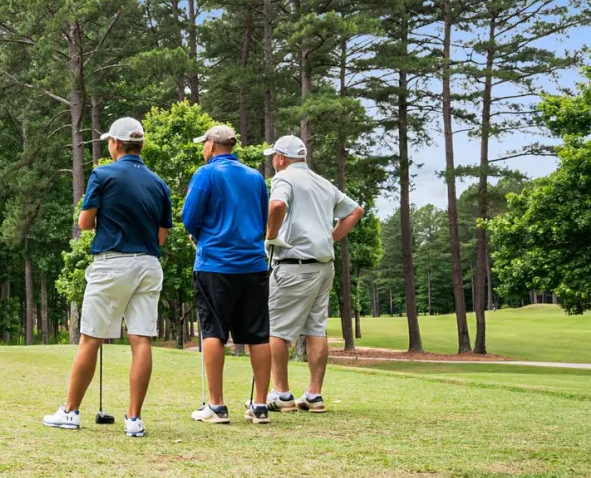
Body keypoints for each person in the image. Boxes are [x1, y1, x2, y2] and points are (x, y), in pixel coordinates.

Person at [43, 117, 173, 438]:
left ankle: (71, 412)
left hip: (112, 263)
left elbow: (85, 223)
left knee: (91, 338)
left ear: (115, 144)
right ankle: (134, 420)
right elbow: (161, 238)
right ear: (139, 145)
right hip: (148, 265)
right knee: (141, 338)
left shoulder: (102, 174)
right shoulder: (159, 184)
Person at [181, 125, 274, 424]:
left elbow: (189, 217)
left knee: (213, 331)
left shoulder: (205, 174)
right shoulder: (255, 176)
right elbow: (262, 218)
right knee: (258, 334)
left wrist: (199, 235)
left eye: (203, 144)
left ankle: (217, 406)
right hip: (253, 264)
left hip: (215, 264)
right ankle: (260, 406)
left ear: (211, 145)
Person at [263, 136, 363, 412]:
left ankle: (282, 394)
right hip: (323, 265)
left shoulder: (283, 178)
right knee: (315, 329)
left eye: (274, 157)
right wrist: (330, 239)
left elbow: (276, 206)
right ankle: (314, 395)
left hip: (294, 264)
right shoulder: (321, 182)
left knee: (277, 330)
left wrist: (271, 236)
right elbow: (355, 211)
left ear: (281, 158)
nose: (273, 161)